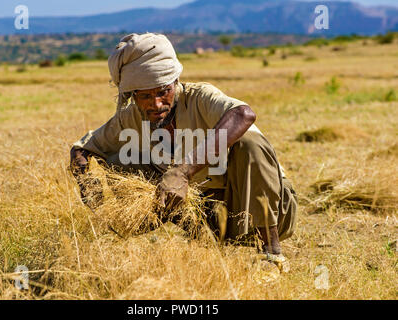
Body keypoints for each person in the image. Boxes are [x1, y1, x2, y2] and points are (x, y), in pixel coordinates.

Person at [70, 33, 297, 258]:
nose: (156, 104)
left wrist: (182, 172)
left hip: (265, 211)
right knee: (119, 160)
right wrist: (85, 181)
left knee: (250, 142)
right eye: (145, 96)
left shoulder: (201, 98)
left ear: (175, 82)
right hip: (210, 217)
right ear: (132, 96)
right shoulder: (132, 116)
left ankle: (272, 253)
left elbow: (244, 114)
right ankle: (200, 238)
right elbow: (83, 147)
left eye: (163, 92)